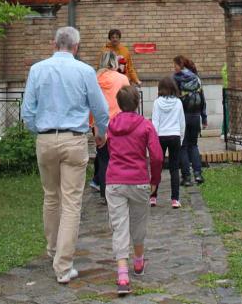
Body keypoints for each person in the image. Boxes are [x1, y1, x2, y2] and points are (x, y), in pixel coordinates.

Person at [22, 26, 109, 285]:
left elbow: (28, 110)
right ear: (76, 46)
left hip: (46, 138)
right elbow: (101, 109)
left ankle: (53, 250)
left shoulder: (37, 70)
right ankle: (63, 263)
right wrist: (101, 132)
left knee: (51, 197)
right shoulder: (84, 71)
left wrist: (39, 130)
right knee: (71, 202)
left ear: (54, 44)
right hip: (73, 139)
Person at [105, 85, 163, 295]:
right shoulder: (146, 126)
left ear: (119, 104)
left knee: (119, 226)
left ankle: (122, 274)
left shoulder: (111, 125)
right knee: (138, 221)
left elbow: (109, 148)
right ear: (137, 103)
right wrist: (154, 180)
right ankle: (138, 262)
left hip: (115, 181)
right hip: (138, 180)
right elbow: (156, 156)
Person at [93, 50, 130, 201]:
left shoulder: (95, 79)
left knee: (103, 159)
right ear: (115, 62)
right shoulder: (122, 79)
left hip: (100, 123)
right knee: (121, 157)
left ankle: (104, 193)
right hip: (120, 122)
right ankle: (120, 190)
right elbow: (128, 99)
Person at [150, 76, 186, 208]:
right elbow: (182, 122)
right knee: (174, 168)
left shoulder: (157, 103)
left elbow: (155, 122)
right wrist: (181, 138)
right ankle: (175, 199)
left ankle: (153, 196)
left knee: (157, 167)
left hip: (161, 136)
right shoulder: (178, 103)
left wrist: (153, 140)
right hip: (175, 135)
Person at [173, 55, 207, 186]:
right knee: (193, 145)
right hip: (195, 116)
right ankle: (198, 175)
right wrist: (204, 118)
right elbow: (202, 99)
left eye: (175, 65)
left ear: (180, 65)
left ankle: (186, 178)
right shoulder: (196, 78)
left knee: (183, 146)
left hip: (182, 116)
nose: (174, 68)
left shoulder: (175, 78)